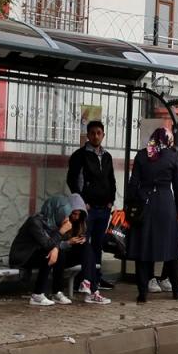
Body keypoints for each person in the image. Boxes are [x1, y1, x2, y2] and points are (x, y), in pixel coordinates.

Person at [9, 194, 111, 305]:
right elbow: (47, 244)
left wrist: (65, 243)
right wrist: (61, 234)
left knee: (84, 247)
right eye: (66, 214)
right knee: (49, 253)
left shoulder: (54, 222)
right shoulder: (35, 222)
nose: (67, 218)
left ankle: (84, 287)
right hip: (23, 258)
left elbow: (53, 244)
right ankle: (37, 295)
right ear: (55, 210)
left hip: (43, 252)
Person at [126, 127, 178, 303]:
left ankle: (143, 292)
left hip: (145, 204)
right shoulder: (172, 157)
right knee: (171, 248)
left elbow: (133, 183)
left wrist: (131, 205)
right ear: (167, 140)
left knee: (143, 248)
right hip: (166, 204)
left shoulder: (142, 156)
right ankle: (176, 290)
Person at [66, 120, 117, 294]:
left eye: (99, 133)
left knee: (98, 244)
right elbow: (72, 180)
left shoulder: (107, 156)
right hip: (87, 210)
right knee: (83, 243)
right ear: (87, 135)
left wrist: (111, 199)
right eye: (93, 133)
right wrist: (82, 202)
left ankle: (96, 276)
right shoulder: (79, 155)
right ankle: (83, 279)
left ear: (103, 135)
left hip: (104, 208)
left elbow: (111, 179)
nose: (96, 136)